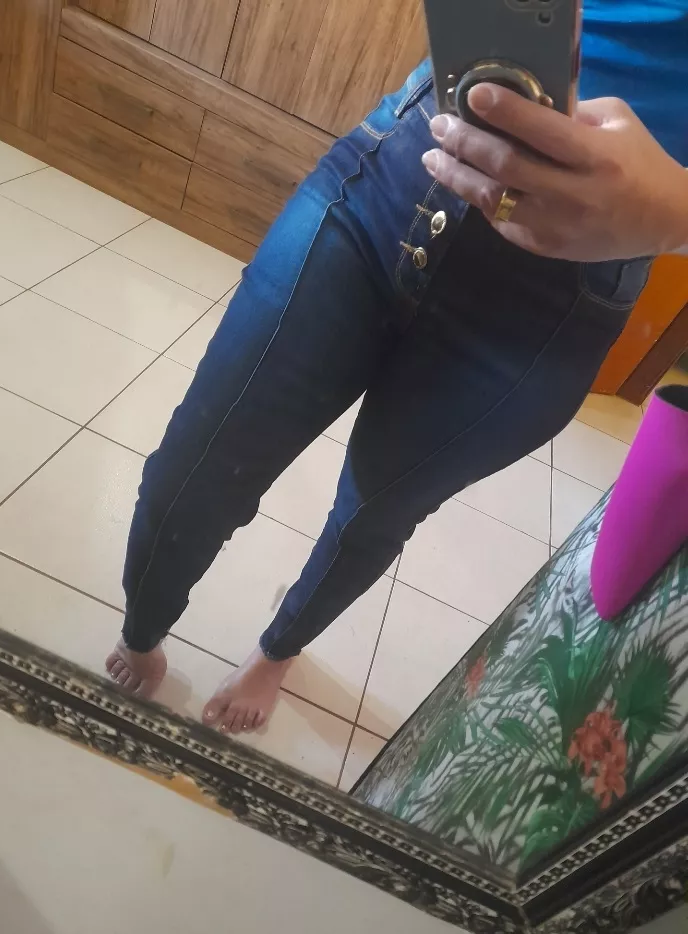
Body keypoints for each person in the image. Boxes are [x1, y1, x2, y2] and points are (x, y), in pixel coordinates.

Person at [106, 0, 688, 733]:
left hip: (568, 285)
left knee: (372, 515)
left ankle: (277, 652)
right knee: (193, 467)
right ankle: (143, 626)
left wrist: (680, 210)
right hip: (408, 159)